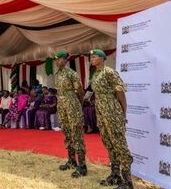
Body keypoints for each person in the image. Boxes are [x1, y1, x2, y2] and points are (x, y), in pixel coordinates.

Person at [89, 48, 133, 189]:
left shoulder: (109, 72)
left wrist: (123, 111)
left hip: (112, 111)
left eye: (94, 57)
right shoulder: (95, 74)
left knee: (119, 144)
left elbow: (120, 91)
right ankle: (115, 175)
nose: (92, 59)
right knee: (109, 142)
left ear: (102, 58)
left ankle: (127, 181)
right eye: (91, 57)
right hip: (101, 112)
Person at [53, 51, 87, 178]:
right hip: (61, 106)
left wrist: (79, 105)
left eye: (59, 59)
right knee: (67, 133)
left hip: (72, 104)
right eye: (55, 60)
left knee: (76, 134)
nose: (57, 62)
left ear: (66, 60)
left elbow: (80, 91)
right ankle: (71, 161)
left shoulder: (72, 74)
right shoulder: (57, 74)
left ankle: (82, 166)